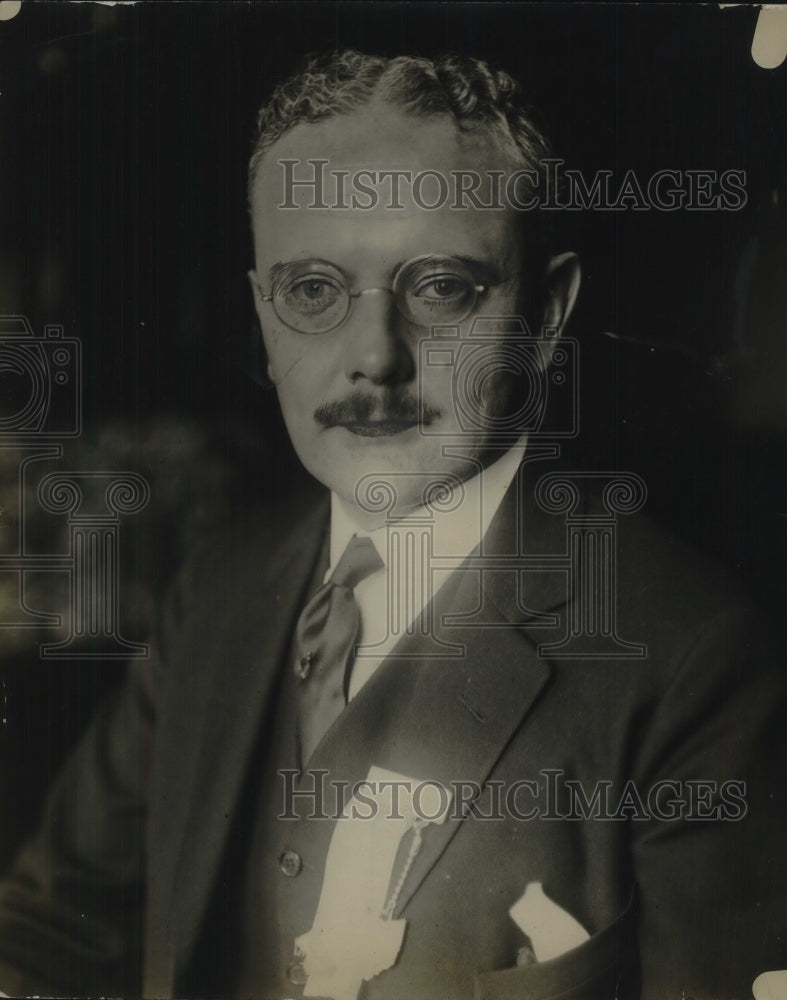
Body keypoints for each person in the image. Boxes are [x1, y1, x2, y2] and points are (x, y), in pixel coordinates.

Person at [0, 50, 784, 1000]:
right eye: (314, 291)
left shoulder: (696, 660)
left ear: (545, 311)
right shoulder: (218, 586)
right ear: (261, 312)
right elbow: (47, 927)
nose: (374, 358)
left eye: (441, 288)